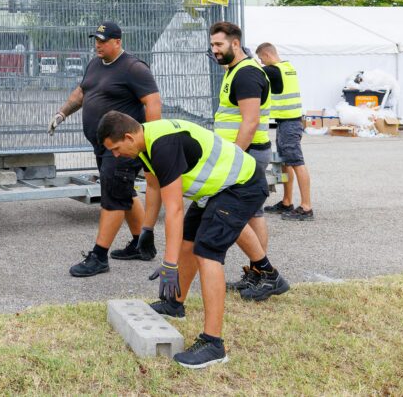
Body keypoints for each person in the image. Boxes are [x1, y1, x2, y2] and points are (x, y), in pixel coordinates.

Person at [98, 111, 288, 369]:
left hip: (242, 185)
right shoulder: (145, 144)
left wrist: (169, 264)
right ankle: (174, 304)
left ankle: (213, 344)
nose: (116, 155)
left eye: (117, 149)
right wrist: (146, 230)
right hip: (216, 189)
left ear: (129, 136)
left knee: (207, 250)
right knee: (188, 239)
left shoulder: (162, 145)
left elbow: (175, 209)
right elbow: (155, 188)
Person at [49, 21, 163, 277]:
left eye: (103, 41)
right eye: (96, 40)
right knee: (124, 192)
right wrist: (62, 113)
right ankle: (141, 244)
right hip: (103, 146)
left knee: (113, 198)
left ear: (117, 42)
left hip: (125, 147)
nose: (97, 45)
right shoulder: (95, 65)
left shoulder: (134, 68)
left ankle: (99, 256)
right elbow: (81, 92)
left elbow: (153, 102)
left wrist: (153, 141)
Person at [209, 21, 284, 294]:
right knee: (253, 214)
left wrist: (233, 157)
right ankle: (258, 273)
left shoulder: (246, 75)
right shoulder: (235, 71)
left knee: (232, 214)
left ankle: (265, 274)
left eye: (219, 44)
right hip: (246, 153)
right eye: (212, 44)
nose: (214, 50)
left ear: (235, 43)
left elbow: (250, 122)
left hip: (246, 154)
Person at [256, 43, 314, 220]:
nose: (261, 61)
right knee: (286, 163)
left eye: (261, 58)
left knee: (296, 161)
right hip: (288, 122)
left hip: (289, 124)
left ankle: (306, 207)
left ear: (266, 55)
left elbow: (253, 70)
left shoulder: (274, 71)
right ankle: (287, 201)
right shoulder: (287, 67)